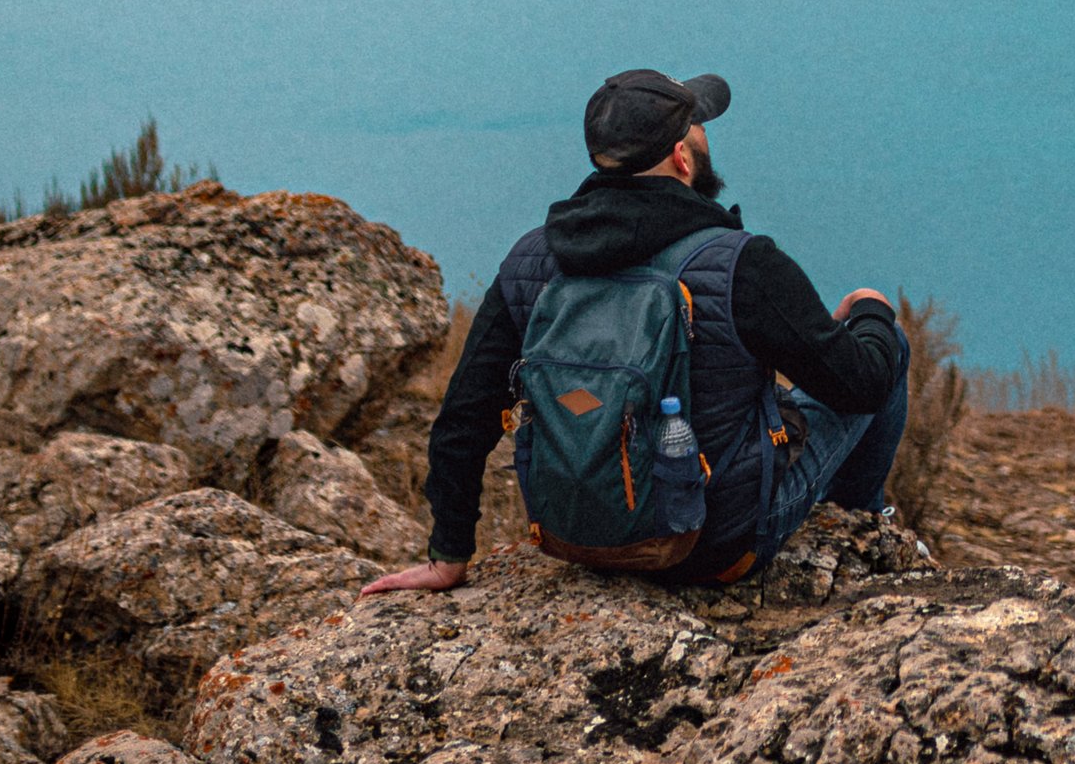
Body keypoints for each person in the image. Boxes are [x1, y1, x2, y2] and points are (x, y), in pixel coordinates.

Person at [365, 67, 908, 595]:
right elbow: (860, 386)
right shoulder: (743, 265)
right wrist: (871, 312)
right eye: (698, 126)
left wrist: (449, 551)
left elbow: (465, 416)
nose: (704, 136)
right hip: (716, 548)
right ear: (681, 158)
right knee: (886, 351)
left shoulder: (533, 259)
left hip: (575, 538)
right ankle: (864, 521)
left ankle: (858, 518)